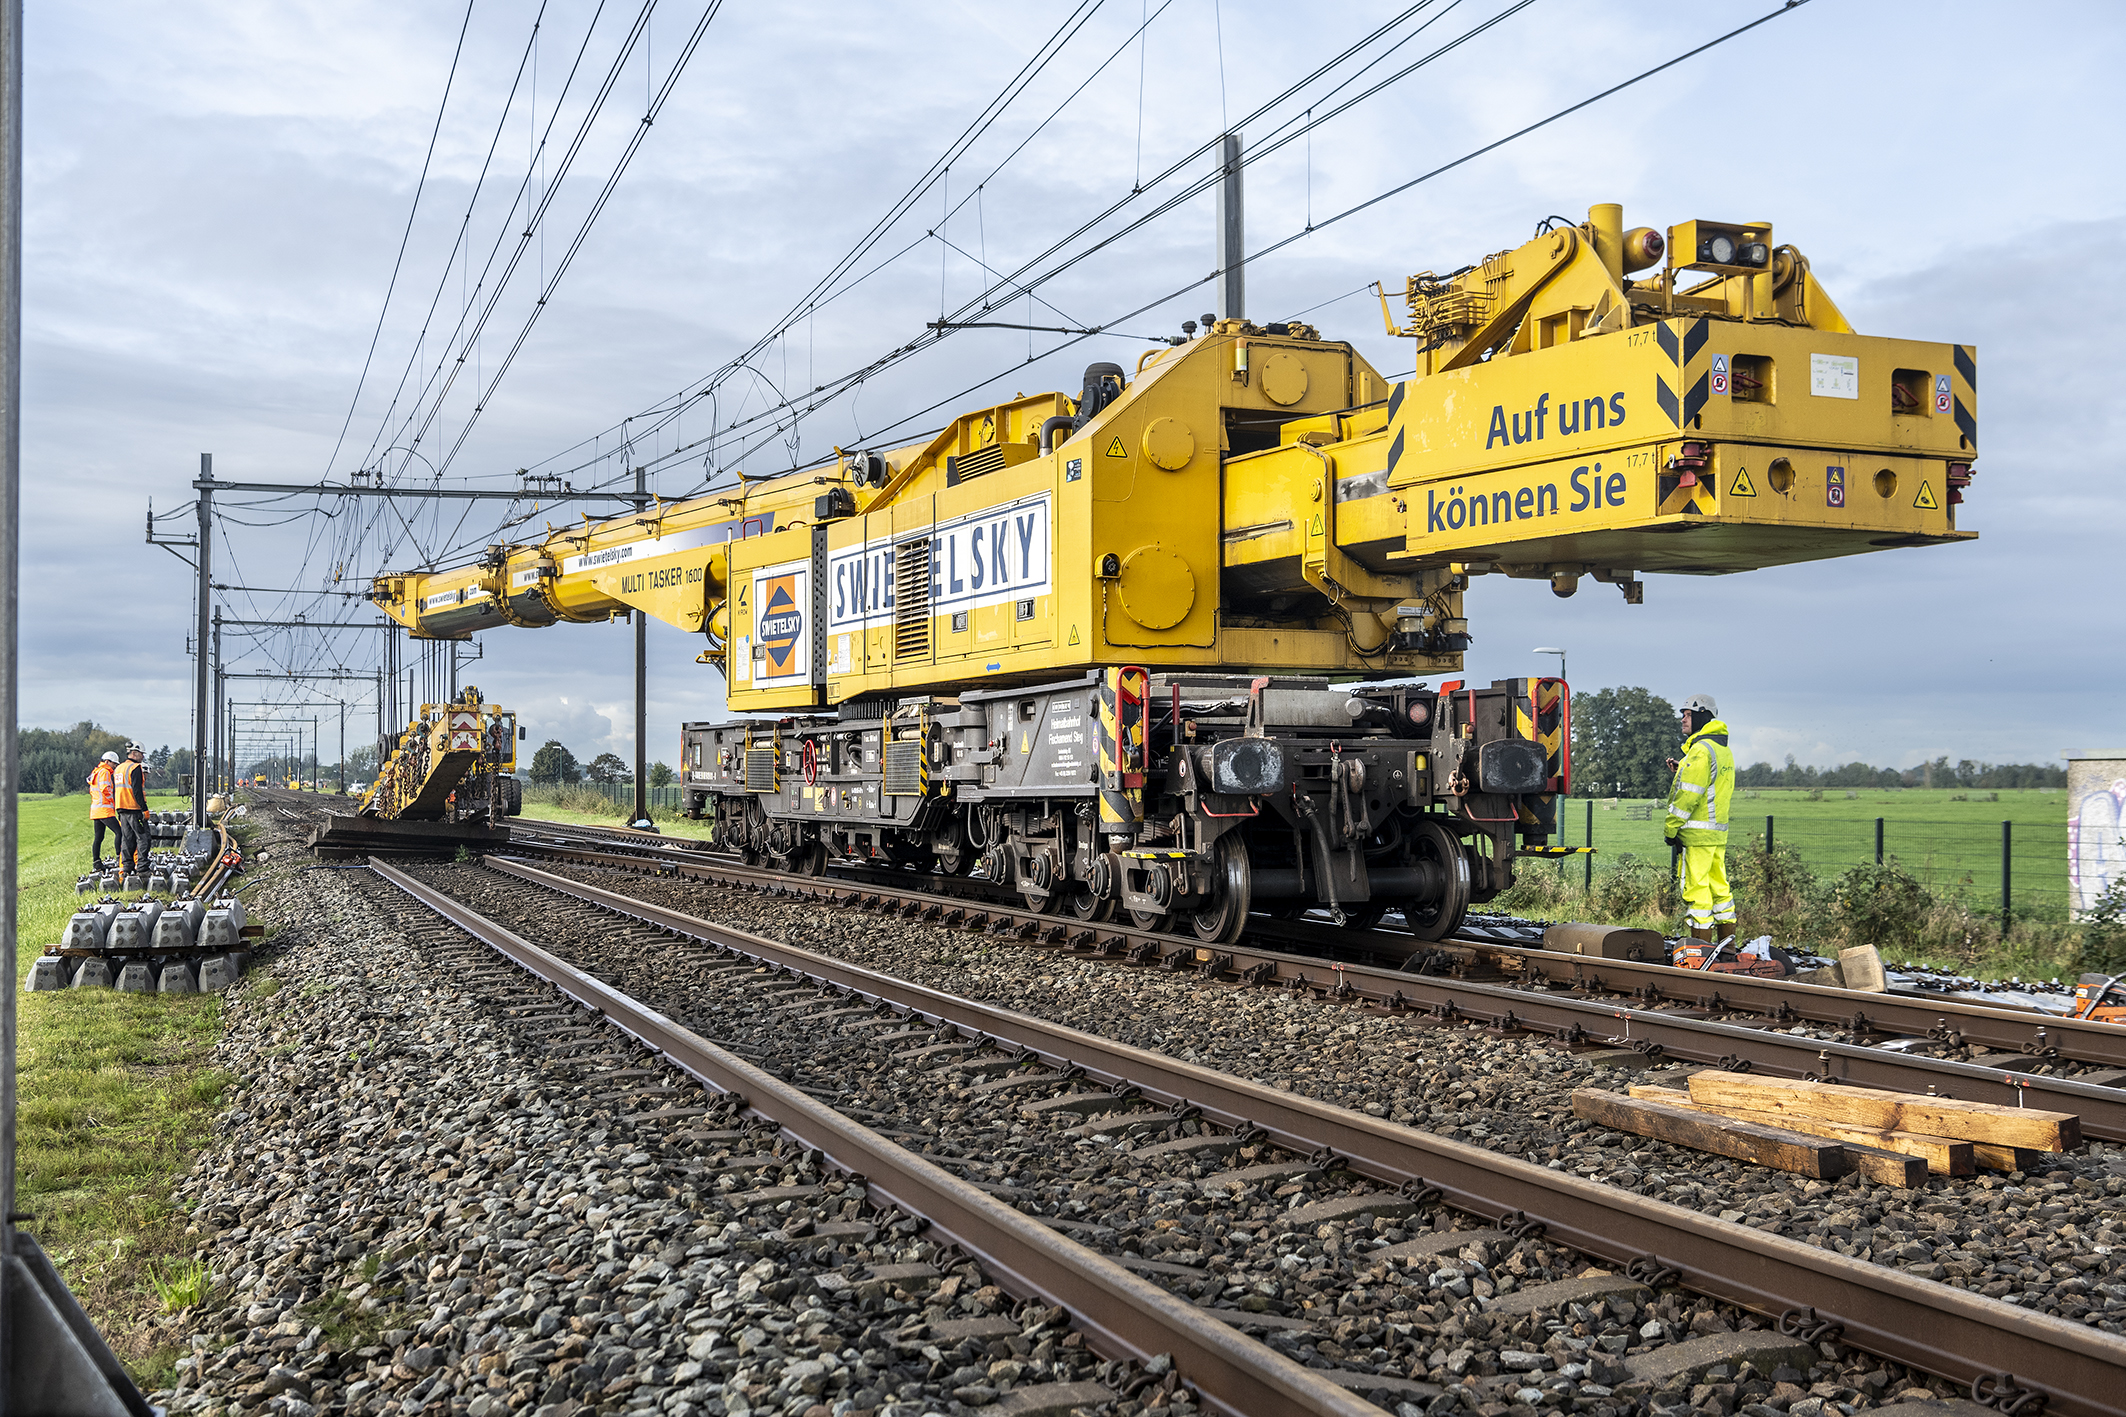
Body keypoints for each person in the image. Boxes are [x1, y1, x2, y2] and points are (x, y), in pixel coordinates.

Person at [1663, 693, 1735, 954]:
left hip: (1696, 836)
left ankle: (1700, 953)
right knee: (1721, 891)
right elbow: (1711, 785)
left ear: (1703, 716)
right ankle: (1728, 949)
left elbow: (1688, 795)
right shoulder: (1721, 749)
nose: (1683, 719)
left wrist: (1671, 828)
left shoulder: (1700, 751)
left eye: (1688, 714)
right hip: (1716, 835)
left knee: (1697, 892)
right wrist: (1682, 767)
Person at [113, 742, 150, 879]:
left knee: (127, 839)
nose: (142, 757)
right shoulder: (135, 768)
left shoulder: (119, 768)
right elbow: (137, 790)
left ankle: (127, 868)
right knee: (143, 838)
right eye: (141, 754)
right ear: (134, 753)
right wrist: (144, 809)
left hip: (121, 808)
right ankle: (142, 868)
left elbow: (115, 789)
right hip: (133, 808)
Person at [87, 750, 120, 869]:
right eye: (114, 763)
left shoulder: (96, 772)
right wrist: (113, 801)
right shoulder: (104, 772)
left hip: (96, 810)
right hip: (104, 810)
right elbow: (105, 789)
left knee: (99, 837)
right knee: (119, 832)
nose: (115, 766)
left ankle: (96, 863)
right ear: (107, 761)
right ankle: (120, 858)